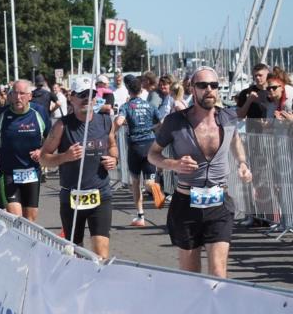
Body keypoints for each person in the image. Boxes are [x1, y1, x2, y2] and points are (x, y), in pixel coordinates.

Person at [147, 67, 252, 278]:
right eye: (203, 85)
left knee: (219, 272)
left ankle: (217, 301)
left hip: (219, 203)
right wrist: (174, 164)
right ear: (192, 89)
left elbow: (235, 141)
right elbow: (152, 154)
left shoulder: (228, 117)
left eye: (214, 85)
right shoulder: (175, 121)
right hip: (186, 202)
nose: (209, 89)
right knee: (191, 275)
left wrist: (242, 162)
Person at [39, 75, 119, 259]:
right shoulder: (62, 125)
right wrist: (65, 156)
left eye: (91, 94)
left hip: (101, 194)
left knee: (101, 254)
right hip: (72, 197)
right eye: (82, 95)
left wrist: (114, 159)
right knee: (76, 253)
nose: (87, 99)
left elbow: (113, 145)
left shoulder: (105, 121)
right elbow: (43, 158)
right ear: (72, 98)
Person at [0, 79, 49, 223]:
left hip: (32, 173)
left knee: (30, 220)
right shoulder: (1, 114)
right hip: (8, 174)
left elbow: (51, 138)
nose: (18, 97)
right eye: (15, 93)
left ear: (30, 96)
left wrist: (42, 151)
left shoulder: (39, 112)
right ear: (10, 95)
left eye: (22, 94)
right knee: (16, 220)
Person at [115, 74, 166, 227]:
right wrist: (152, 128)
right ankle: (154, 187)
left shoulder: (126, 106)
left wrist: (113, 131)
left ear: (128, 90)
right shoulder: (150, 105)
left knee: (136, 182)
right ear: (141, 89)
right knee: (149, 181)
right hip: (150, 143)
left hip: (135, 145)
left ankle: (140, 216)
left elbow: (119, 121)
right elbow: (162, 121)